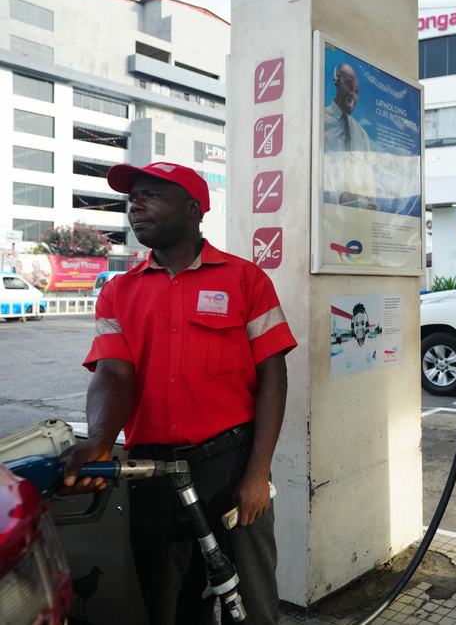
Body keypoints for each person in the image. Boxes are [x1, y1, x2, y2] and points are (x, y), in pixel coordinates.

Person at [59, 161, 297, 625]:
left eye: (150, 195)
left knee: (251, 605)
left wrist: (257, 473)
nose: (136, 205)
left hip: (230, 468)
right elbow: (112, 373)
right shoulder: (117, 292)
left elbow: (274, 375)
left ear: (193, 209)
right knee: (169, 606)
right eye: (133, 198)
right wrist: (100, 440)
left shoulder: (246, 281)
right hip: (153, 473)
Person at [322, 62, 377, 209]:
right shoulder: (319, 121)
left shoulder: (362, 135)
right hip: (329, 214)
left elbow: (368, 180)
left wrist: (372, 201)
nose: (353, 94)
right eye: (348, 84)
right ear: (336, 81)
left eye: (357, 91)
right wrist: (340, 198)